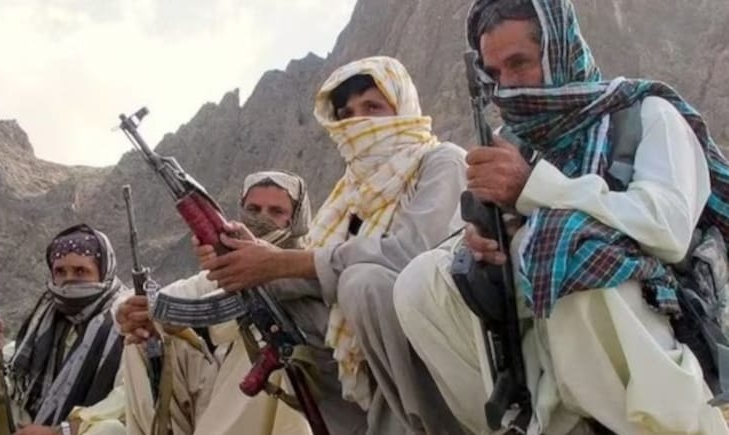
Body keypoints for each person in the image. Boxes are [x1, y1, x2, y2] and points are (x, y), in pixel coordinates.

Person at [393, 0, 729, 434]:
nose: (507, 86)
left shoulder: (645, 114)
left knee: (565, 243)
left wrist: (534, 188)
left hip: (661, 321)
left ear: (559, 53)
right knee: (421, 282)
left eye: (519, 63)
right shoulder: (513, 144)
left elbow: (669, 227)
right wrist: (486, 238)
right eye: (494, 73)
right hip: (548, 346)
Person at [197, 56, 468, 434]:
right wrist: (244, 258)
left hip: (438, 340)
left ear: (402, 106)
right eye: (346, 114)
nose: (359, 122)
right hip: (367, 347)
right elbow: (318, 271)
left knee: (363, 284)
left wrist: (282, 263)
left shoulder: (442, 161)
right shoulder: (350, 191)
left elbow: (409, 253)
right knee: (275, 306)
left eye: (372, 107)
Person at [116, 170, 315, 435]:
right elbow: (166, 301)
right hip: (218, 385)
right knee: (143, 342)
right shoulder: (227, 269)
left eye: (276, 211)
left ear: (296, 219)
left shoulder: (309, 265)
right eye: (253, 209)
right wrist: (130, 312)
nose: (262, 218)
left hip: (281, 388)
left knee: (275, 344)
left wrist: (267, 266)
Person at [0, 224, 129, 435]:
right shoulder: (46, 318)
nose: (68, 280)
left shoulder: (128, 319)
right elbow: (17, 378)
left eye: (81, 271)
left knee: (110, 430)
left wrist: (60, 431)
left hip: (80, 430)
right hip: (32, 426)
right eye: (60, 271)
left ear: (104, 273)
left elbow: (129, 399)